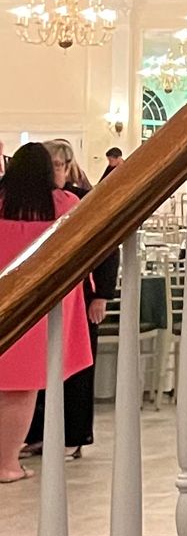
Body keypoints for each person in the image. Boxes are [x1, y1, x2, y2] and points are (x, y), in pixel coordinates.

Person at [0, 145, 92, 483]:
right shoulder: (63, 204)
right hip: (41, 303)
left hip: (4, 293)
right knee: (22, 387)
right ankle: (7, 463)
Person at [25, 141, 99, 460]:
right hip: (45, 297)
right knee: (38, 368)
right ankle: (37, 434)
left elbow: (103, 249)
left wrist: (102, 295)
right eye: (51, 165)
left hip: (82, 294)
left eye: (60, 165)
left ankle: (74, 436)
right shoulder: (33, 201)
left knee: (76, 368)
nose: (55, 171)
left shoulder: (80, 198)